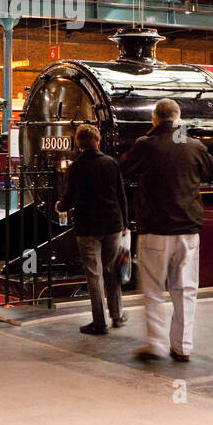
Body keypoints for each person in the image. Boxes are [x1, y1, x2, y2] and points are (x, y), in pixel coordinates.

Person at [120, 98, 213, 362]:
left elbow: (125, 166)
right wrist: (181, 135)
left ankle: (156, 345)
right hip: (187, 228)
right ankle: (182, 346)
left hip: (156, 229)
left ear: (154, 119)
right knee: (185, 290)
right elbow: (210, 168)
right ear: (178, 118)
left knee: (152, 290)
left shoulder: (146, 144)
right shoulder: (193, 144)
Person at [57, 123, 129, 335]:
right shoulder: (111, 163)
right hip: (113, 224)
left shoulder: (76, 167)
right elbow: (121, 195)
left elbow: (69, 198)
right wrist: (124, 223)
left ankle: (99, 322)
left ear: (79, 144)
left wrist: (59, 206)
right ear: (97, 141)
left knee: (93, 275)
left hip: (88, 227)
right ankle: (117, 315)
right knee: (112, 271)